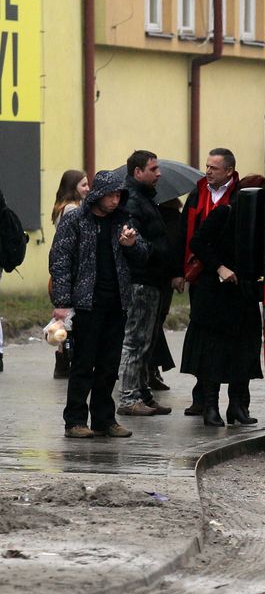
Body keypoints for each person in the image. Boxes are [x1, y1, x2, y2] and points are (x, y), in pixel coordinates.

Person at [49, 169, 149, 438]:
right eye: (111, 195)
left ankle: (105, 419)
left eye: (119, 195)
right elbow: (60, 261)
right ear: (98, 195)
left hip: (116, 302)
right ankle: (75, 421)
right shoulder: (76, 220)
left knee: (108, 365)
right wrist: (62, 301)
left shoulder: (123, 222)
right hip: (86, 303)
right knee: (83, 363)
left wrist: (130, 245)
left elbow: (143, 255)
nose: (115, 200)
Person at [182, 174, 264, 427]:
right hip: (216, 296)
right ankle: (210, 407)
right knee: (214, 355)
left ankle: (237, 406)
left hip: (244, 294)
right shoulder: (224, 213)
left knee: (245, 351)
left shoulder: (262, 221)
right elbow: (198, 241)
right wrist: (220, 267)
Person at [176, 147, 239, 416]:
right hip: (200, 273)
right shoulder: (197, 193)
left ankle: (236, 402)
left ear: (229, 171)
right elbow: (184, 233)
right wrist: (177, 270)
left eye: (214, 168)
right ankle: (201, 395)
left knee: (229, 337)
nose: (208, 171)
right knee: (202, 334)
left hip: (230, 275)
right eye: (207, 166)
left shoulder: (239, 195)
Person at [116, 151, 172, 417]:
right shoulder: (132, 201)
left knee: (146, 341)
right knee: (136, 341)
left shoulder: (145, 199)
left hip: (151, 279)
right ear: (138, 172)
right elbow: (133, 241)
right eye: (153, 169)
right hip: (140, 280)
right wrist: (152, 252)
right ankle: (128, 398)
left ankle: (142, 394)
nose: (158, 173)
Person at [49, 169, 89, 378]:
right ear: (73, 186)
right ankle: (65, 360)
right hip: (71, 271)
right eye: (83, 185)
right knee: (69, 319)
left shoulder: (60, 208)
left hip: (61, 272)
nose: (87, 188)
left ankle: (61, 360)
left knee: (64, 320)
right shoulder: (72, 210)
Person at [147, 195, 185, 392]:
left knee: (151, 325)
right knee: (156, 323)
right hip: (165, 279)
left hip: (155, 276)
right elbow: (178, 249)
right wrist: (178, 273)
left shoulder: (151, 215)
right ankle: (151, 368)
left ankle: (151, 368)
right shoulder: (176, 219)